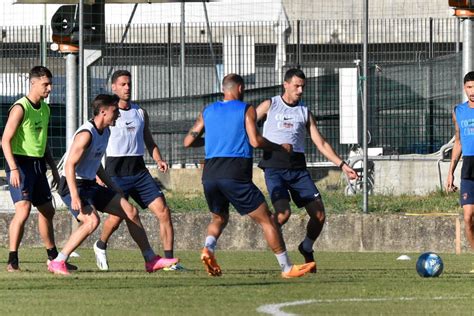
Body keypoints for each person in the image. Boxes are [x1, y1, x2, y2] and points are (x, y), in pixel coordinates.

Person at [184, 73, 315, 278]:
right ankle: (287, 268)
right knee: (268, 221)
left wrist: (212, 140)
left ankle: (208, 249)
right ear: (240, 89)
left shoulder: (208, 110)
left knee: (219, 217)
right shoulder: (246, 109)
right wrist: (280, 148)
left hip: (210, 174)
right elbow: (255, 141)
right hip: (235, 172)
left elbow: (188, 142)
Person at [48, 94, 178, 275]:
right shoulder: (86, 134)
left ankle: (150, 260)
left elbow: (97, 166)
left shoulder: (106, 131)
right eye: (115, 111)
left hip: (89, 183)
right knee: (91, 221)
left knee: (130, 212)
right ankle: (58, 261)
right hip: (72, 184)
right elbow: (69, 165)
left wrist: (112, 187)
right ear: (103, 112)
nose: (118, 115)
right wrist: (75, 196)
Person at [256, 68, 358, 272]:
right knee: (283, 214)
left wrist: (343, 165)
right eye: (296, 86)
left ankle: (306, 247)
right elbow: (246, 126)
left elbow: (320, 142)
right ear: (285, 84)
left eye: (303, 86)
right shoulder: (270, 104)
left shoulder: (304, 112)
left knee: (319, 214)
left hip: (298, 169)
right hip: (274, 167)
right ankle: (279, 252)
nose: (300, 90)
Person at [92, 70, 182, 271]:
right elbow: (97, 145)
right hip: (115, 172)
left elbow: (148, 140)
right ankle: (101, 244)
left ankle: (169, 261)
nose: (127, 87)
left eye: (129, 84)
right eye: (123, 84)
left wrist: (158, 158)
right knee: (116, 218)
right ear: (113, 87)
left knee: (164, 212)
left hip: (139, 172)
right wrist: (98, 175)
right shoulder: (108, 114)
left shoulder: (140, 112)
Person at [1, 66, 74, 272]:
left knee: (47, 210)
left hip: (38, 165)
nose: (49, 88)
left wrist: (54, 168)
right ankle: (12, 261)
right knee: (23, 210)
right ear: (33, 83)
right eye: (46, 84)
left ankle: (52, 257)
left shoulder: (46, 108)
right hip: (20, 165)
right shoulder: (20, 108)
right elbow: (5, 140)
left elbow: (44, 143)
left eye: (50, 84)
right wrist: (13, 169)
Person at [446, 71, 474, 271]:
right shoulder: (458, 110)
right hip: (468, 168)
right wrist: (450, 172)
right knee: (468, 217)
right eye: (469, 87)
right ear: (464, 88)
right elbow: (458, 141)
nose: (473, 91)